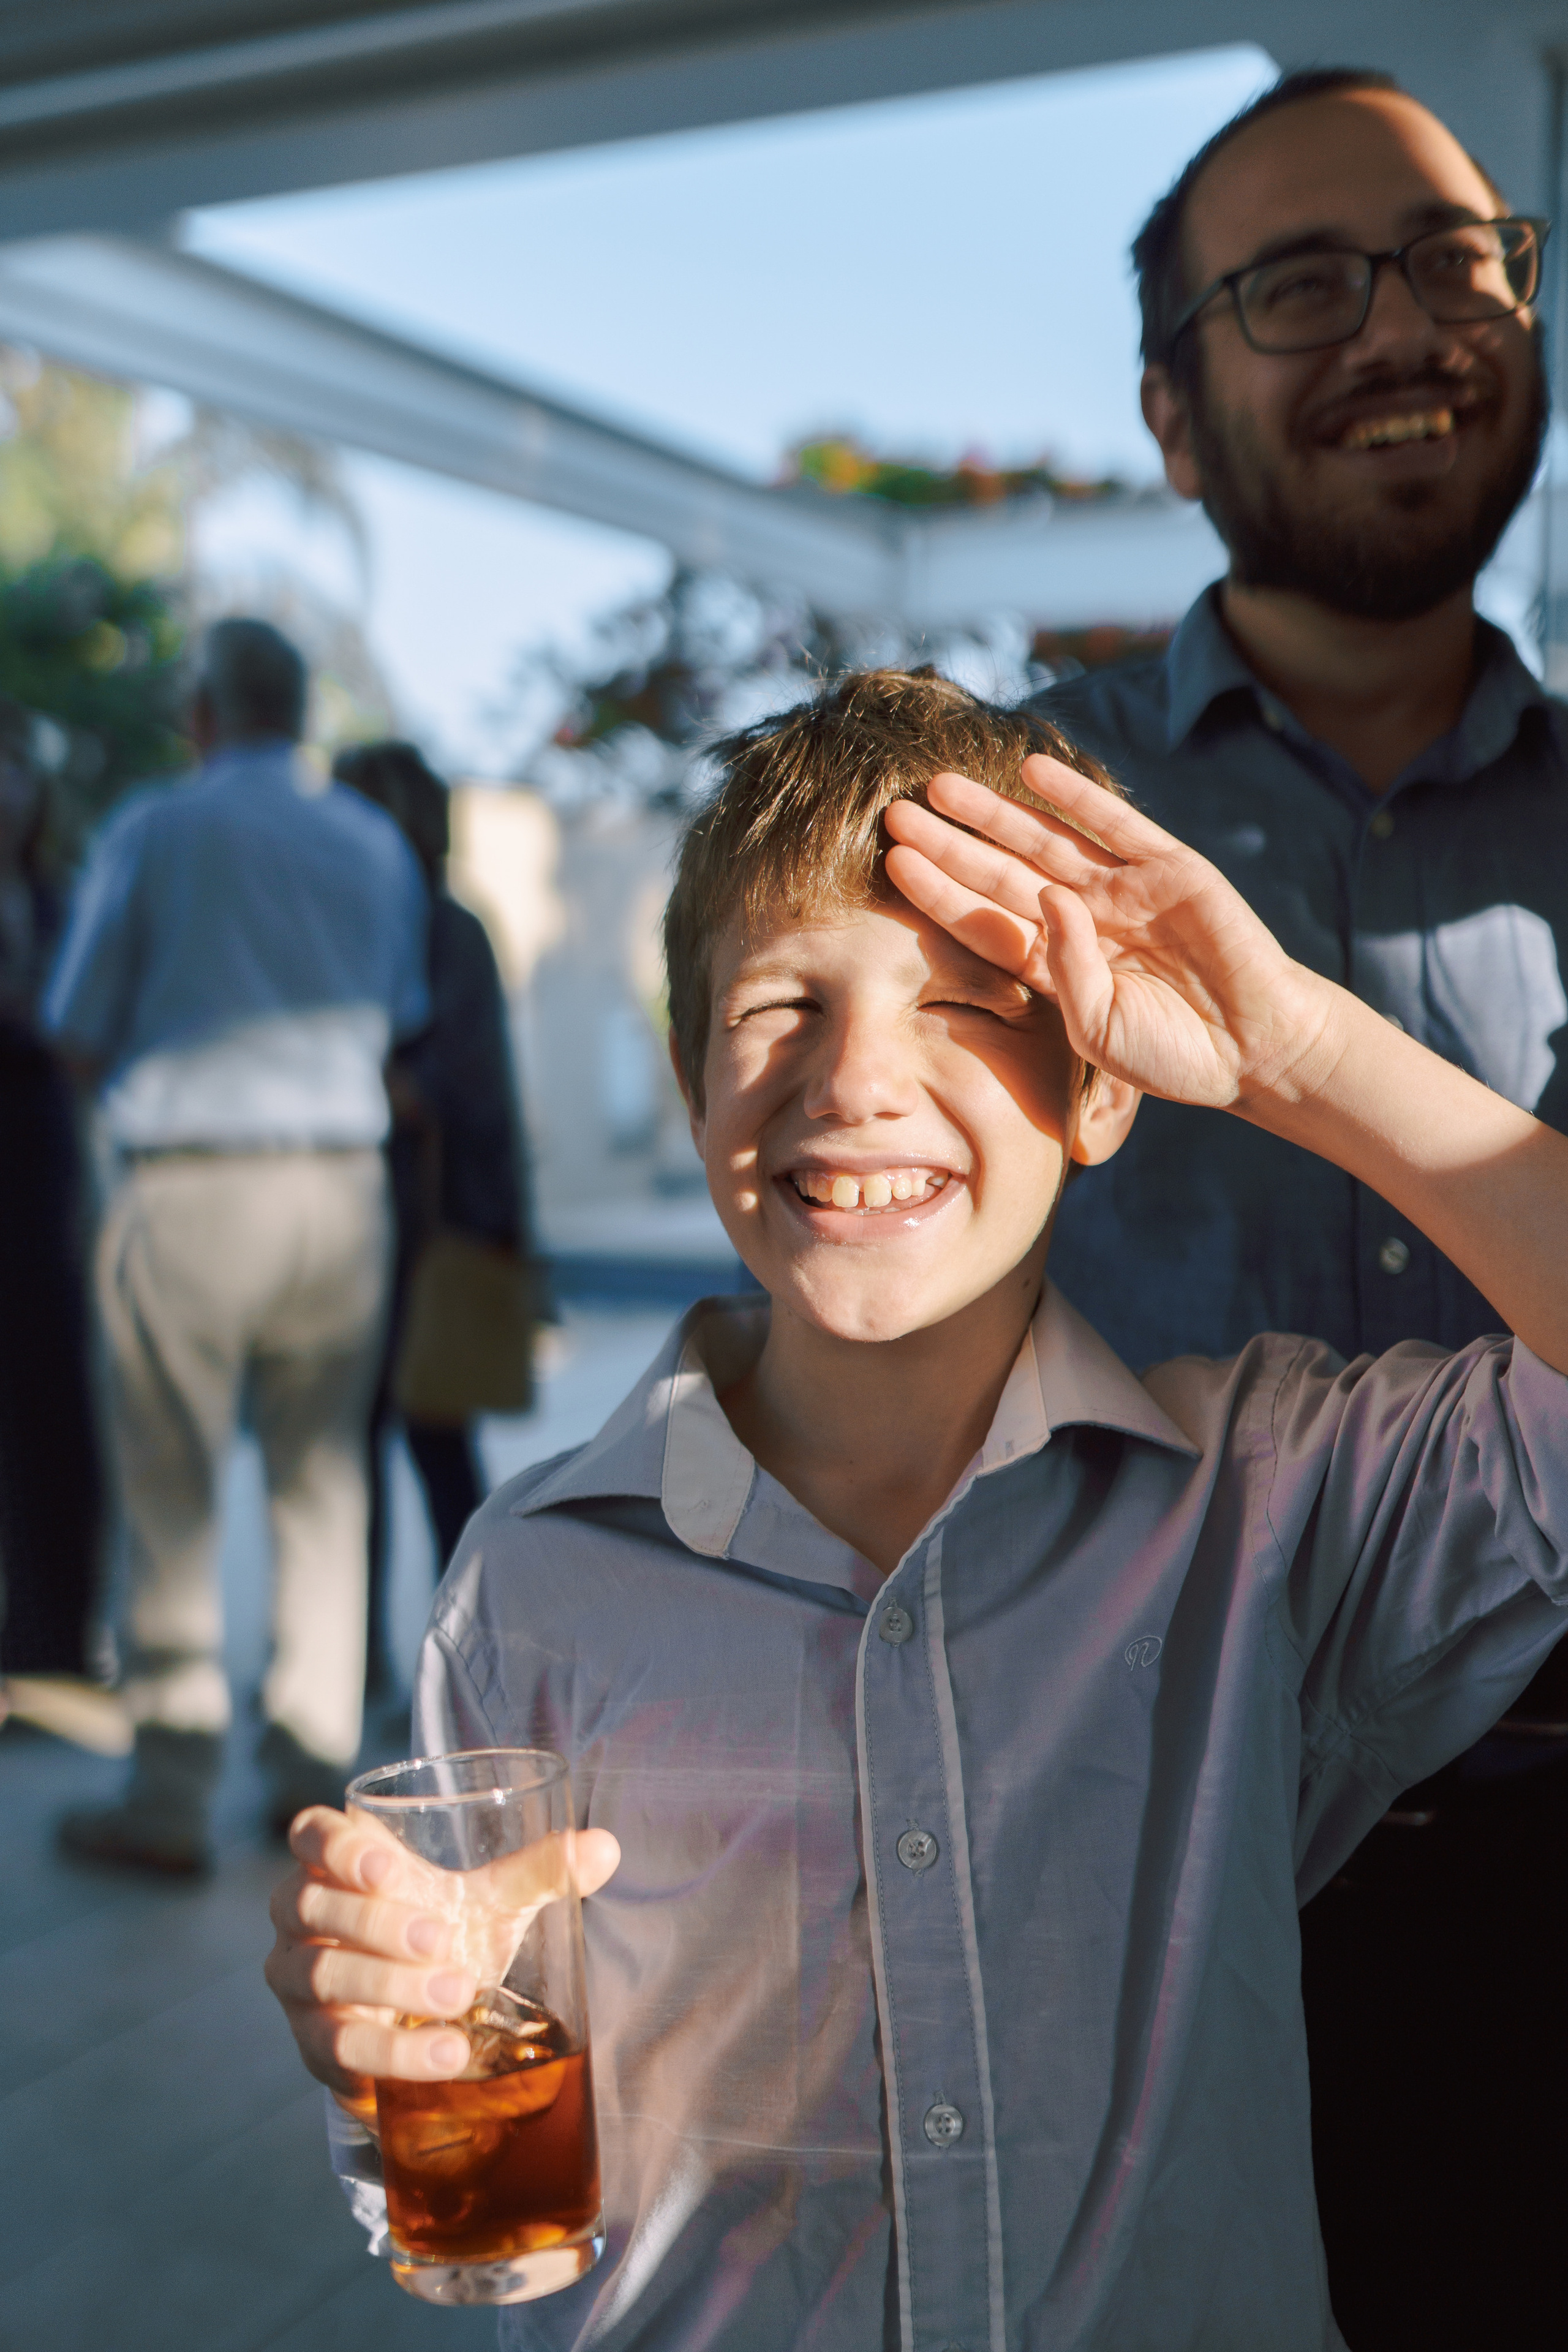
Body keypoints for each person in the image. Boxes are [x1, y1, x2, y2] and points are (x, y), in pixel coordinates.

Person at [265, 672, 1568, 2351]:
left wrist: (1295, 1051)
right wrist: (395, 2041)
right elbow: (466, 2169)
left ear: (1101, 1083)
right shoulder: (535, 1580)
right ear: (689, 1082)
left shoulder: (1269, 1501)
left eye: (965, 999)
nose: (859, 1078)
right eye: (782, 1005)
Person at [1028, 70, 1568, 2341]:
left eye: (1458, 260)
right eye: (1304, 286)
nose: (1409, 325)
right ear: (1173, 417)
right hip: (1142, 1857)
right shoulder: (1010, 822)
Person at [43, 619, 428, 1873]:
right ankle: (308, 1777)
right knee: (323, 1485)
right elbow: (396, 1016)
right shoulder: (369, 840)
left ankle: (166, 1791)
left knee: (171, 1492)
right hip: (337, 1189)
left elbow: (77, 1021)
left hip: (192, 1183)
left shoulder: (157, 827)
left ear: (205, 712)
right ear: (299, 710)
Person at [331, 739, 540, 1694]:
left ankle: (473, 1657)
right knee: (351, 1462)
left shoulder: (446, 928)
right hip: (365, 1225)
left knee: (435, 1452)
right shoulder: (367, 921)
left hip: (433, 1228)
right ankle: (361, 1666)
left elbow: (467, 1091)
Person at [0, 695, 123, 1756]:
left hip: (40, 1189)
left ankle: (54, 1639)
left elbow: (83, 1035)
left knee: (53, 1423)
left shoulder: (58, 899)